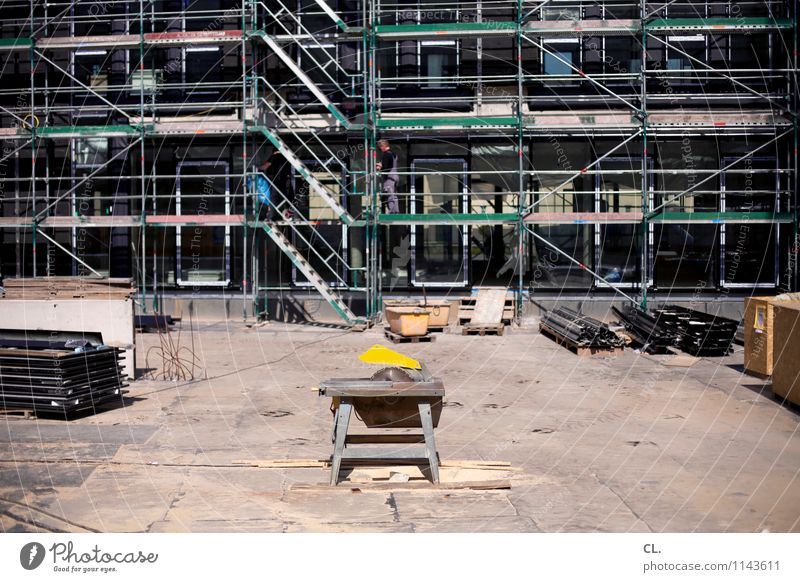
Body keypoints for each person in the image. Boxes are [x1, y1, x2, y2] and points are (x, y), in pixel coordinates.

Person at [376, 139, 399, 214]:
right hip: (395, 175)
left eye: (380, 147)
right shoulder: (393, 154)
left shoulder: (386, 154)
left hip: (390, 177)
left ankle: (393, 211)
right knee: (394, 195)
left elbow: (386, 168)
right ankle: (396, 210)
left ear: (383, 146)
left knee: (390, 194)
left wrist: (379, 167)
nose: (380, 149)